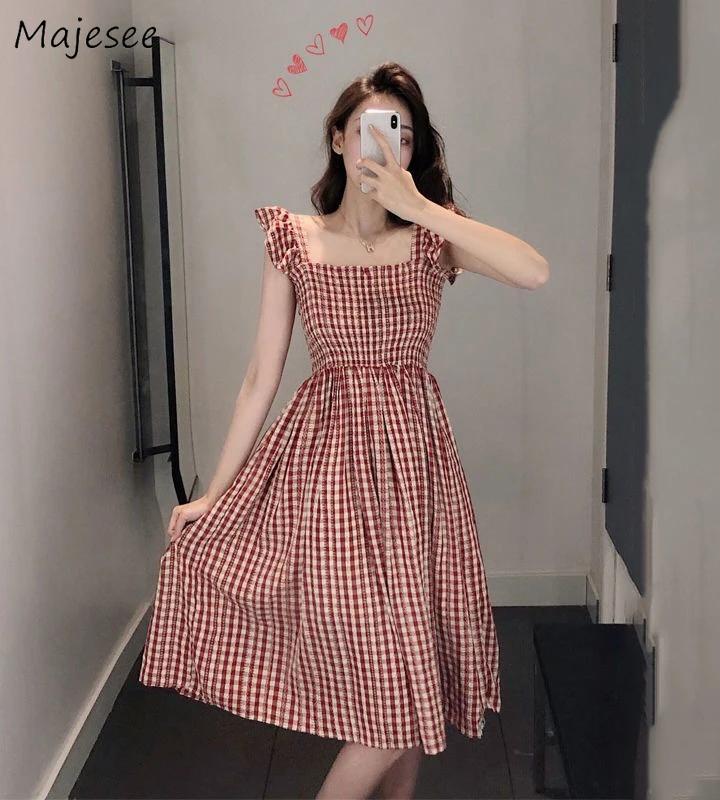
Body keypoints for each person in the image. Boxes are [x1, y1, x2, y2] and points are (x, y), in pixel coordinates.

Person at [139, 61, 549, 800]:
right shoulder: (293, 240)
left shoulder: (431, 240)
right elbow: (259, 377)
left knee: (413, 669)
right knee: (391, 695)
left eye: (403, 134)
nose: (385, 144)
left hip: (416, 473)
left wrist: (422, 207)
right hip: (326, 475)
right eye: (369, 129)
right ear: (337, 138)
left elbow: (533, 271)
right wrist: (214, 495)